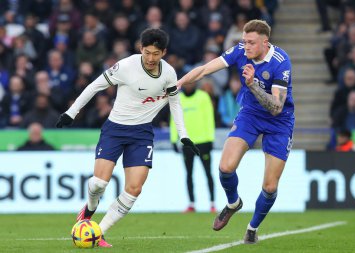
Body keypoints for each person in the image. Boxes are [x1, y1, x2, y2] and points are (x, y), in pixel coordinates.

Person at [55, 28, 200, 248]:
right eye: (147, 52)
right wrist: (71, 113)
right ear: (140, 48)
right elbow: (94, 86)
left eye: (156, 53)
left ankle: (99, 232)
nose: (151, 58)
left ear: (164, 52)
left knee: (134, 189)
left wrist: (184, 136)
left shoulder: (169, 73)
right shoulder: (125, 67)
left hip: (142, 134)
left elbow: (175, 104)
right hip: (115, 130)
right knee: (98, 184)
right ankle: (89, 209)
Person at [177, 19, 294, 244]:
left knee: (270, 186)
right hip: (250, 114)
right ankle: (233, 203)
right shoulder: (240, 50)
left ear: (264, 42)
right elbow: (205, 69)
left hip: (280, 123)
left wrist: (252, 85)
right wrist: (180, 82)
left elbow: (277, 108)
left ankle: (252, 227)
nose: (246, 46)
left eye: (251, 43)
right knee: (225, 167)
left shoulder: (281, 62)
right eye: (244, 41)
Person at [169, 81, 216, 213]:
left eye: (191, 83)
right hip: (187, 143)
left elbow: (209, 118)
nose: (188, 86)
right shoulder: (178, 99)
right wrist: (173, 139)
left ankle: (212, 203)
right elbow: (174, 119)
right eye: (187, 84)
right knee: (189, 174)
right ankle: (191, 203)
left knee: (208, 173)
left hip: (203, 142)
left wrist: (210, 138)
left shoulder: (203, 97)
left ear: (195, 84)